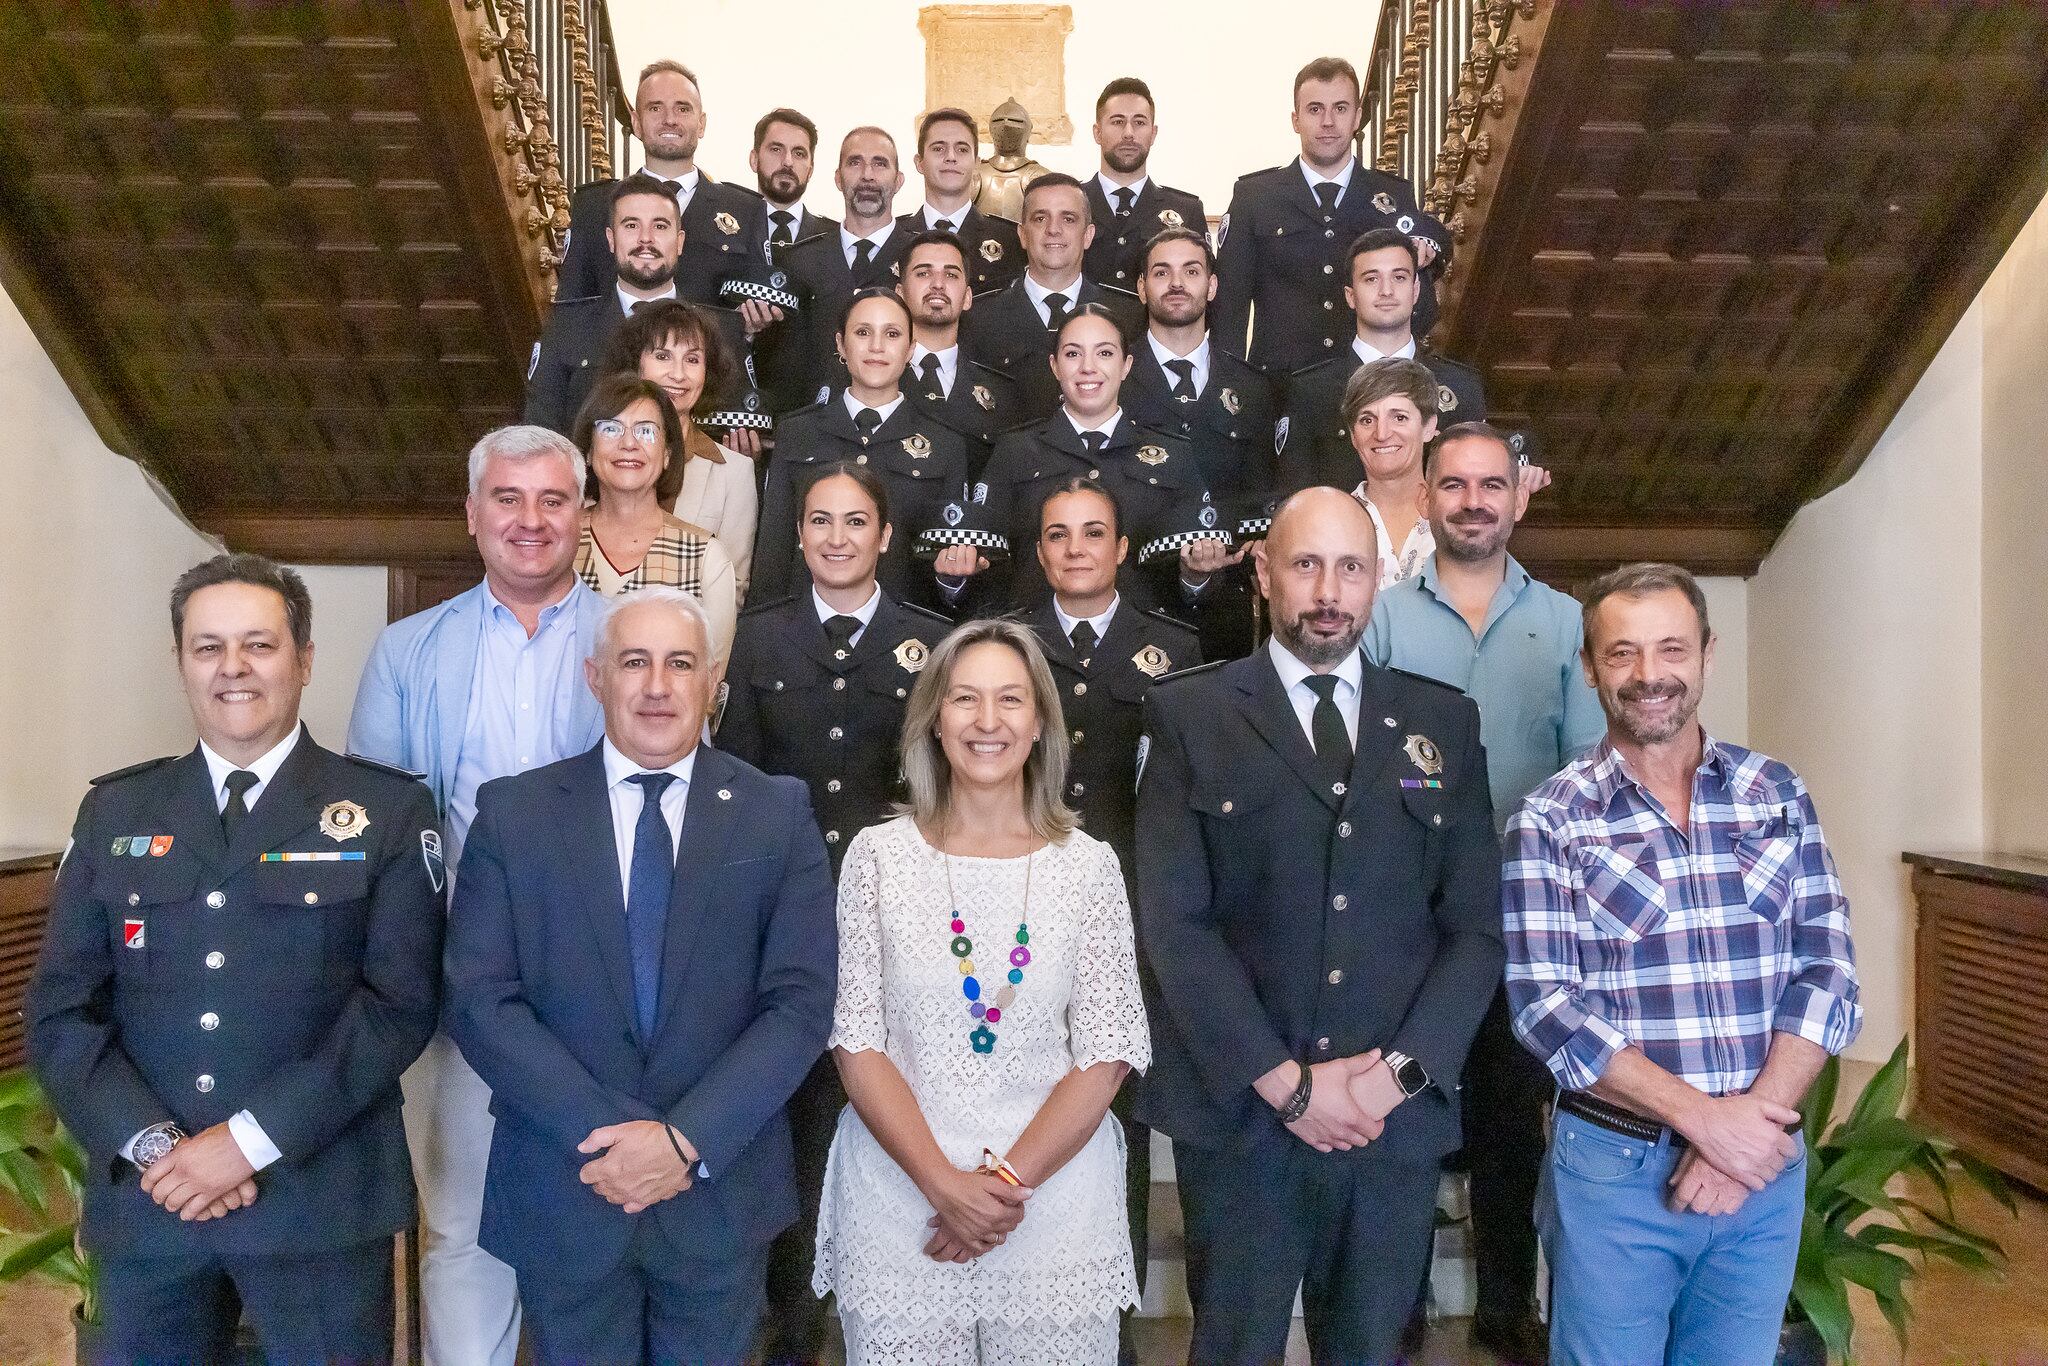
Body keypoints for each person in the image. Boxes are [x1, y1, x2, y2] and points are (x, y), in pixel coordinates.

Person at [27, 554, 442, 1363]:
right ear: (180, 662)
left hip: (318, 1202)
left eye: (259, 644)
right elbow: (60, 1010)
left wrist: (246, 1143)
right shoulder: (118, 809)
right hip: (154, 1202)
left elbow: (398, 1005)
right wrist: (155, 1148)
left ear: (305, 658)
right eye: (208, 646)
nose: (234, 669)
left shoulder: (387, 810)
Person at [1137, 487, 1505, 1364]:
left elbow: (1475, 930)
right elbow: (1175, 924)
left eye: (1350, 567)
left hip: (1390, 1125)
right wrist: (1285, 1085)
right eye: (1306, 565)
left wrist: (1392, 1081)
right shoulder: (1189, 716)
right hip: (1244, 1123)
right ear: (1264, 574)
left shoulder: (1441, 723)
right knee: (1233, 1349)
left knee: (1374, 1352)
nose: (1329, 591)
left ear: (1378, 579)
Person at [445, 587, 837, 1363]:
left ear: (712, 681)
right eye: (634, 662)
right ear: (596, 677)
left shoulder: (776, 812)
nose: (657, 686)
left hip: (718, 1191)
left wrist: (684, 1141)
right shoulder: (515, 813)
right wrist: (611, 1140)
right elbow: (481, 999)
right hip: (568, 1184)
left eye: (679, 663)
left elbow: (799, 1004)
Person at [1505, 562, 1863, 1366]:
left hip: (1762, 1175)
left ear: (1706, 654)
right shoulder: (1551, 818)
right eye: (1622, 653)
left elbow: (1829, 970)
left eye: (1670, 649)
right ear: (1591, 667)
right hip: (1614, 1173)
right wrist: (1710, 1125)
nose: (1649, 675)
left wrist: (1747, 1137)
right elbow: (1545, 1006)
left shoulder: (1776, 793)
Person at [814, 619, 1150, 1364]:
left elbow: (1107, 1053)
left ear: (1041, 724)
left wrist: (998, 1187)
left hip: (1051, 1207)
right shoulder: (876, 858)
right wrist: (943, 1185)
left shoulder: (1089, 867)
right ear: (934, 719)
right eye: (965, 699)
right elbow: (857, 1040)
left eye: (1010, 700)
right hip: (902, 1201)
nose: (988, 721)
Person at [347, 424, 608, 1366]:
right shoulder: (408, 651)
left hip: (605, 988)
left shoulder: (636, 643)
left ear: (582, 514)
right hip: (459, 982)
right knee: (460, 1226)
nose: (529, 521)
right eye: (508, 499)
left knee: (598, 1221)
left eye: (551, 500)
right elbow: (377, 833)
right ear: (472, 515)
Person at [1364, 422, 1605, 1362]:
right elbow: (1367, 759)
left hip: (1521, 917)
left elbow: (1585, 770)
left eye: (1490, 485)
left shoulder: (1567, 620)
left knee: (1511, 1122)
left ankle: (1508, 1304)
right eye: (1454, 484)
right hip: (1405, 914)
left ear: (1518, 498)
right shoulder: (1384, 616)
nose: (1473, 500)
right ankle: (1400, 1302)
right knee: (1406, 1110)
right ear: (1424, 498)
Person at [718, 462, 952, 1362]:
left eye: (857, 522)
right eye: (821, 521)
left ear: (886, 536)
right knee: (794, 1120)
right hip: (786, 921)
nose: (838, 538)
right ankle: (793, 1320)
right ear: (801, 534)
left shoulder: (927, 643)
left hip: (901, 918)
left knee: (895, 1110)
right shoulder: (760, 638)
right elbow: (732, 790)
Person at [1022, 476, 1198, 1349]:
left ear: (1124, 549)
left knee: (1112, 1113)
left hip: (1130, 915)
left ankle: (1112, 1317)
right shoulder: (1008, 646)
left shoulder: (1174, 646)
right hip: (1023, 905)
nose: (1077, 548)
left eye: (1094, 533)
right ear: (1041, 550)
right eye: (1059, 535)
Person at [950, 305, 1217, 612]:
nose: (1088, 368)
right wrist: (956, 579)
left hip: (1143, 645)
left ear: (1127, 365)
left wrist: (1196, 578)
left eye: (1104, 353)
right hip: (1035, 643)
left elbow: (1204, 583)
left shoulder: (1174, 457)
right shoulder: (1014, 452)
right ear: (1054, 366)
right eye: (1073, 354)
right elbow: (985, 563)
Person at [1214, 57, 1452, 370]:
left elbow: (1422, 276)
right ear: (1295, 120)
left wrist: (1432, 241)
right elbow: (1230, 309)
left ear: (1357, 117)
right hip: (1279, 390)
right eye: (1315, 109)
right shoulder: (1255, 197)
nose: (1328, 121)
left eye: (1340, 108)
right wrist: (1233, 389)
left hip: (1369, 386)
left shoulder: (1393, 196)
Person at [754, 289, 974, 614]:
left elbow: (946, 564)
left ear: (911, 349)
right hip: (802, 628)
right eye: (863, 332)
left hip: (901, 636)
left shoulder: (945, 444)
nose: (876, 347)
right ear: (841, 345)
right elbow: (773, 551)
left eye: (892, 334)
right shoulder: (798, 432)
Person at [1123, 227, 1278, 660]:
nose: (1176, 284)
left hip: (1229, 608)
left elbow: (1265, 493)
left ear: (1211, 286)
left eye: (1191, 271)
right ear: (1141, 287)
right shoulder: (1111, 380)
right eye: (1161, 272)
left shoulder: (1253, 387)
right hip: (1135, 600)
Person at [527, 173, 752, 440]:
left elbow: (734, 432)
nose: (646, 239)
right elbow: (540, 432)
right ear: (611, 239)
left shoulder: (723, 331)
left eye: (660, 227)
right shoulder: (567, 326)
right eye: (631, 226)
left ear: (679, 241)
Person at [1278, 229, 1488, 493]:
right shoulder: (1310, 390)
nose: (1386, 291)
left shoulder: (1461, 385)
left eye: (1399, 277)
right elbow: (1295, 495)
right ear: (1350, 296)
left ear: (1415, 291)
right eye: (1371, 279)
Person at [556, 60, 762, 303]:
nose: (670, 119)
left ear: (701, 123)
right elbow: (571, 306)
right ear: (636, 123)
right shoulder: (594, 205)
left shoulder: (746, 210)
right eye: (655, 108)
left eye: (683, 109)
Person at [570, 373, 739, 658]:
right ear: (588, 450)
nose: (628, 443)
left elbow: (711, 681)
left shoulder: (705, 556)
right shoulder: (558, 539)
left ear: (667, 455)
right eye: (611, 429)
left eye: (645, 431)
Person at [602, 297, 761, 594]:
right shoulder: (601, 455)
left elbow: (734, 587)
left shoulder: (735, 472)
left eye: (692, 359)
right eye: (662, 356)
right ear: (636, 364)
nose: (678, 374)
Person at [961, 173, 1143, 423]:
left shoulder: (1129, 316)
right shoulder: (978, 318)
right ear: (1023, 235)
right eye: (1040, 218)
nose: (1053, 230)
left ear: (1088, 235)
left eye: (1068, 219)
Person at [764, 128, 922, 414]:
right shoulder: (797, 260)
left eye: (880, 163)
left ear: (898, 181)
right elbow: (778, 361)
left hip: (900, 429)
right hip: (812, 430)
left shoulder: (920, 261)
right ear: (838, 178)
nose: (867, 175)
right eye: (855, 163)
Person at [896, 229, 1019, 474]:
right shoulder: (872, 378)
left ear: (967, 298)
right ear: (899, 294)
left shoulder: (1003, 395)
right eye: (923, 273)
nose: (938, 284)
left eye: (951, 275)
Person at [1314, 356, 1442, 587]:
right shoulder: (1330, 522)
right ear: (1353, 435)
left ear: (1429, 427)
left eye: (1399, 417)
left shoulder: (1456, 515)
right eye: (1367, 420)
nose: (1381, 433)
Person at [1082, 78, 1208, 290]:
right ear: (1097, 132)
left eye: (1139, 122)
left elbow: (1201, 291)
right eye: (1117, 121)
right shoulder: (1071, 205)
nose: (1129, 133)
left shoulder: (1187, 211)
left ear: (1153, 133)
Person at [900, 107, 1023, 294]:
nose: (950, 157)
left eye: (962, 149)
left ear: (976, 163)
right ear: (920, 162)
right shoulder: (895, 237)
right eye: (939, 148)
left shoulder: (1011, 240)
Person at [971, 97, 1054, 221]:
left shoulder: (1041, 177)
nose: (1005, 124)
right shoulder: (974, 175)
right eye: (1000, 120)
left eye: (1015, 121)